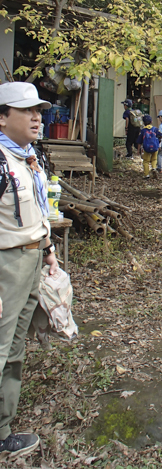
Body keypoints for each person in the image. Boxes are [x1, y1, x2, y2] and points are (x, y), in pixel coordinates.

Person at [0, 82, 58, 458]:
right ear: (2, 118)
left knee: (15, 348)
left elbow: (35, 209)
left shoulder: (27, 156)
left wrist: (49, 251)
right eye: (26, 111)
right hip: (6, 268)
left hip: (32, 259)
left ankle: (3, 430)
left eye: (39, 110)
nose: (37, 117)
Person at [136, 115, 161, 180]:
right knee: (154, 159)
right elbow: (161, 135)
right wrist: (158, 143)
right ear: (151, 121)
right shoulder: (155, 129)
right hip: (155, 147)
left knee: (146, 161)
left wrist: (138, 150)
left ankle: (146, 175)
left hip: (146, 148)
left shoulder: (143, 131)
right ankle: (154, 168)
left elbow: (139, 141)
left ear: (143, 122)